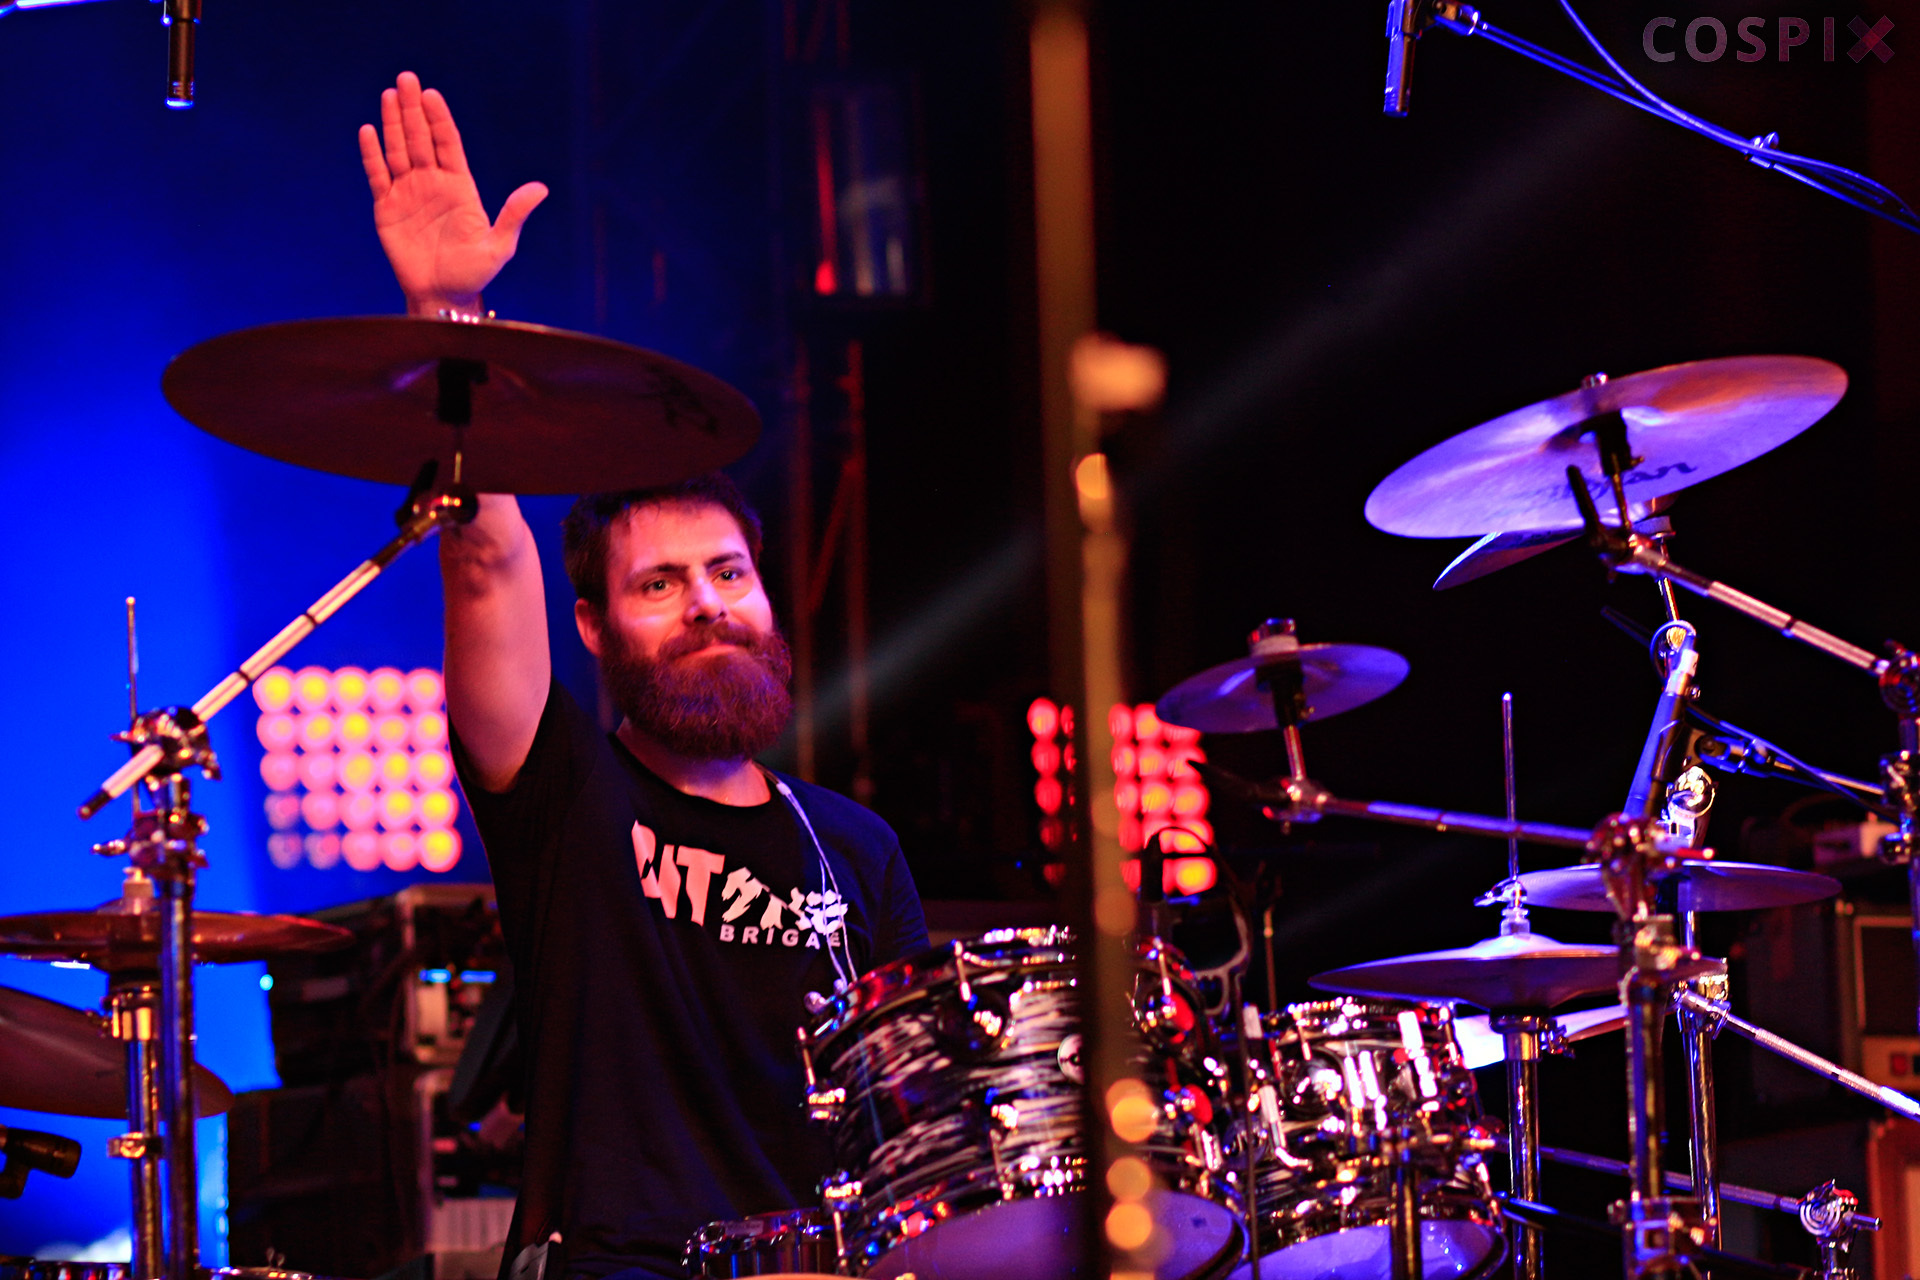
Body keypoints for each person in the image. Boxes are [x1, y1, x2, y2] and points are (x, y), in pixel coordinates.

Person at [358, 72, 929, 1280]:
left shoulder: (856, 847)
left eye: (728, 572)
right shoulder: (562, 790)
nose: (709, 603)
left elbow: (917, 1126)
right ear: (593, 626)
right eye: (660, 583)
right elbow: (485, 557)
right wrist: (451, 313)